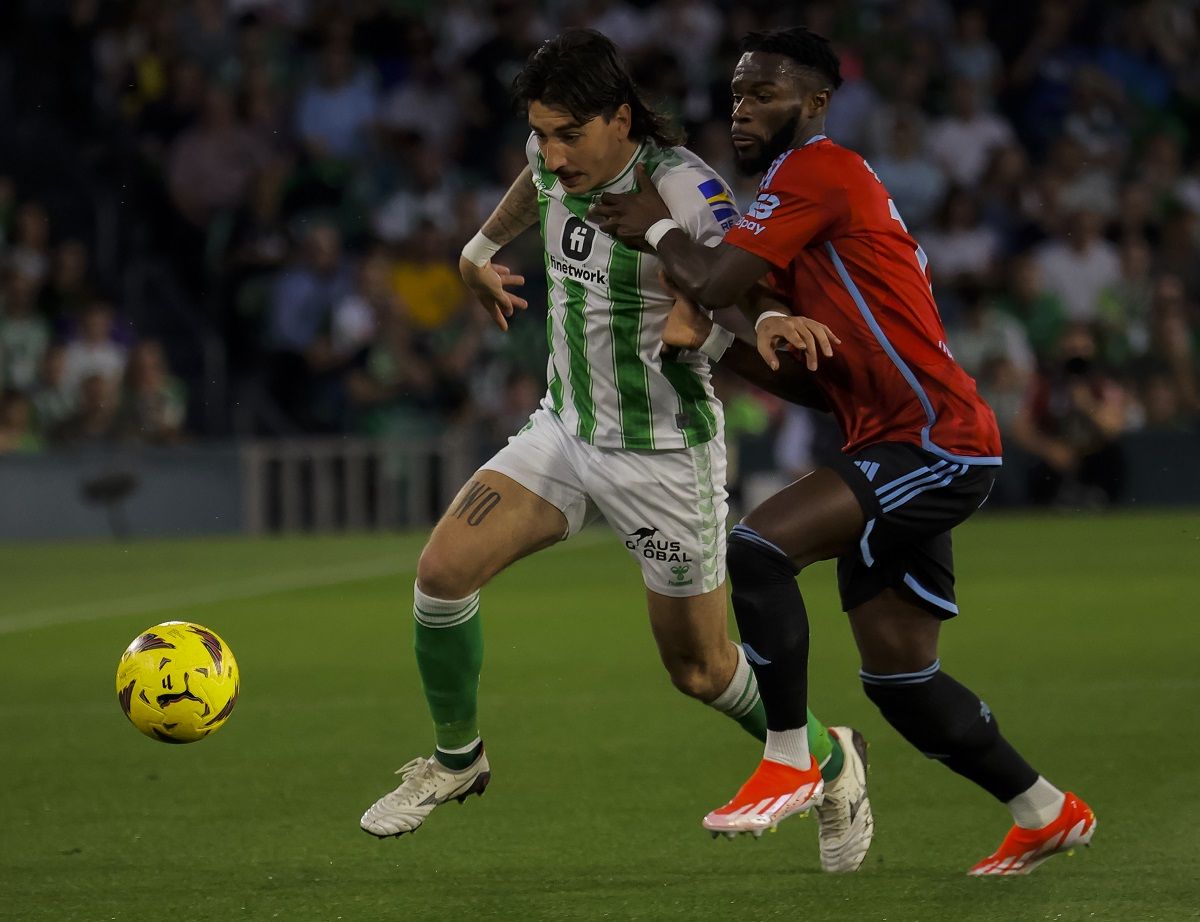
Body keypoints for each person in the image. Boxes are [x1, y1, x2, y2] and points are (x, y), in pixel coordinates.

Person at [360, 29, 875, 874]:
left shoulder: (681, 184)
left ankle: (830, 756)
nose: (552, 154)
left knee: (703, 671)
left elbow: (736, 271)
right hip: (564, 429)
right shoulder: (550, 155)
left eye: (569, 135)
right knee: (442, 575)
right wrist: (479, 250)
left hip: (664, 452)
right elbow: (532, 184)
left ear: (620, 119)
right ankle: (458, 762)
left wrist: (766, 318)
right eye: (543, 133)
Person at [591, 25, 1094, 876]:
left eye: (765, 93)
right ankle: (1044, 811)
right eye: (738, 94)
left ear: (816, 102)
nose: (742, 109)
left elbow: (713, 282)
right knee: (902, 682)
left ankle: (790, 755)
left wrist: (656, 231)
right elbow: (803, 375)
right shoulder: (790, 205)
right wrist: (717, 343)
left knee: (756, 550)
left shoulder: (820, 171)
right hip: (890, 437)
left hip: (933, 437)